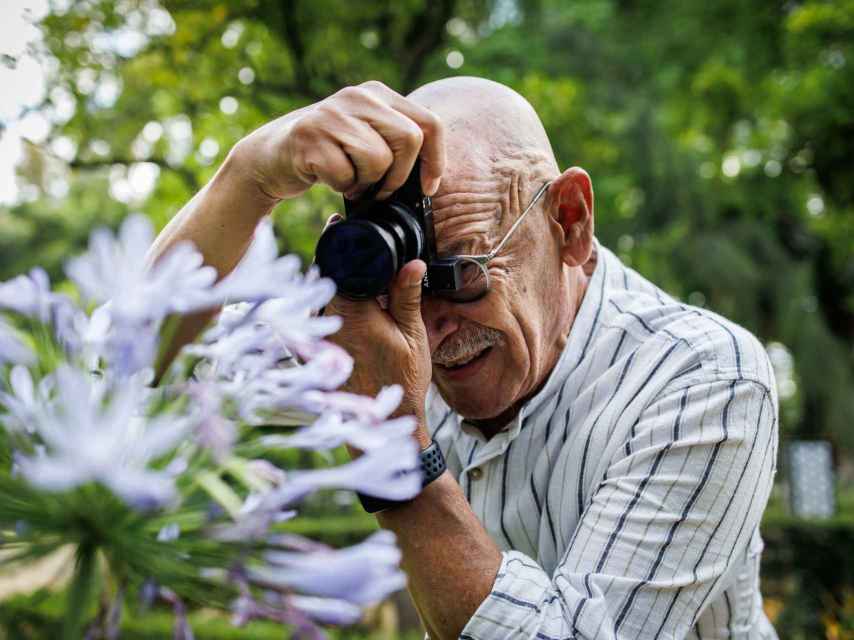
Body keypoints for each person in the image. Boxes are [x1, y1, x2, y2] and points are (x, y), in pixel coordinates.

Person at [149, 76, 779, 639]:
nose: (426, 328)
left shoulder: (703, 378)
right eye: (402, 283)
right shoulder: (379, 325)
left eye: (460, 275)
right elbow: (138, 363)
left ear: (570, 220)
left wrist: (392, 445)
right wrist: (249, 176)